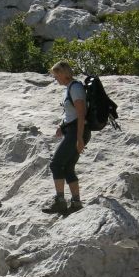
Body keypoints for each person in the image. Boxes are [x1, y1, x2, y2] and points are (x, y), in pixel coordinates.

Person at [42, 60, 90, 214]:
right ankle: (76, 203)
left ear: (63, 74)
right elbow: (71, 113)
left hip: (77, 132)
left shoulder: (75, 88)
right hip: (72, 131)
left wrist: (80, 138)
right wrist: (62, 126)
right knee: (68, 167)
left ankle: (60, 202)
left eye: (56, 75)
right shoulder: (69, 88)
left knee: (56, 164)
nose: (55, 78)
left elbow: (81, 113)